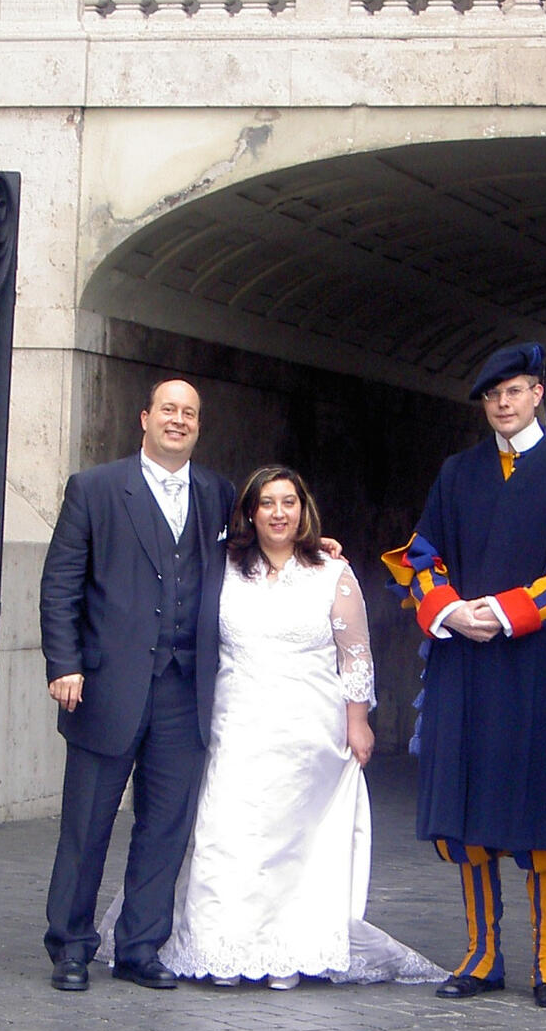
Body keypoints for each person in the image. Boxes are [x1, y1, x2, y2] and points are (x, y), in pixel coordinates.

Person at [97, 465, 444, 988]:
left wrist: (358, 722)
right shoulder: (225, 567)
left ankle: (289, 950)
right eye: (267, 503)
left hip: (308, 726)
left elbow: (355, 655)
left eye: (289, 502)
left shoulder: (333, 572)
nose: (278, 513)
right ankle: (220, 948)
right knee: (226, 834)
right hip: (235, 720)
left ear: (303, 510)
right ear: (250, 513)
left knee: (293, 839)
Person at [382, 341, 546, 1008]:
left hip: (541, 663)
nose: (503, 403)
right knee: (468, 813)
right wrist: (447, 609)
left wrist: (509, 610)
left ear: (538, 394)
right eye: (493, 395)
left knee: (543, 809)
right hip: (466, 660)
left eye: (515, 391)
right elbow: (423, 556)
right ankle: (482, 954)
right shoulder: (457, 472)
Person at [40, 378, 235, 993]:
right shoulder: (94, 489)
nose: (178, 420)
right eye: (168, 410)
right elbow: (61, 583)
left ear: (199, 427)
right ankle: (70, 945)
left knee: (165, 826)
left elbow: (261, 552)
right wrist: (63, 663)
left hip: (186, 690)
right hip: (105, 686)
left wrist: (317, 552)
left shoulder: (217, 494)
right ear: (145, 417)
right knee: (87, 823)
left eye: (191, 414)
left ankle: (141, 946)